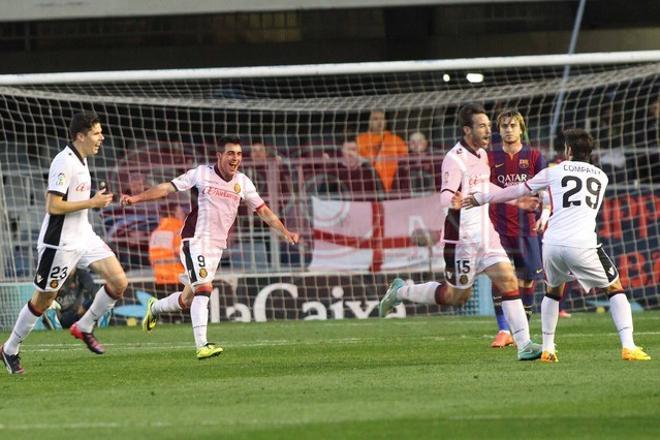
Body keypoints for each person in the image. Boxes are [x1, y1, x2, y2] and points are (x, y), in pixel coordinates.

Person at [463, 128, 651, 362]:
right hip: (582, 243)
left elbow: (518, 190)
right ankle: (629, 346)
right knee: (615, 288)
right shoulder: (602, 177)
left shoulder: (554, 171)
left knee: (553, 292)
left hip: (551, 244)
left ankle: (548, 348)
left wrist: (482, 198)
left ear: (568, 150)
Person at [378, 103, 543, 362]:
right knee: (455, 296)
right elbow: (445, 194)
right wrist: (451, 202)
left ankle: (524, 344)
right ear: (468, 130)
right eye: (482, 126)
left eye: (489, 126)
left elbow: (485, 185)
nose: (489, 131)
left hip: (486, 234)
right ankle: (399, 291)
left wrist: (515, 200)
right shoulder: (453, 159)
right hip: (461, 239)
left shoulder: (482, 155)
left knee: (508, 280)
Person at [120, 136, 299, 360]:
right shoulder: (201, 174)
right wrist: (135, 199)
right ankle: (202, 345)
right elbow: (167, 188)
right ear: (220, 156)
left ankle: (154, 308)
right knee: (204, 289)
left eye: (239, 154)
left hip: (216, 247)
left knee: (187, 299)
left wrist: (285, 231)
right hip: (194, 240)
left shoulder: (243, 182)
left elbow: (263, 210)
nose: (235, 158)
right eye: (230, 153)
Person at [1, 111, 129, 375]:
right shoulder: (64, 161)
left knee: (119, 282)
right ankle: (10, 348)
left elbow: (73, 199)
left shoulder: (81, 160)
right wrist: (92, 202)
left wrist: (93, 198)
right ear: (80, 136)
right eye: (96, 133)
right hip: (59, 244)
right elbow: (53, 205)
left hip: (84, 236)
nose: (101, 137)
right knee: (42, 302)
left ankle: (84, 326)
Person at [487, 109, 549, 348]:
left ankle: (521, 329)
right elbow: (485, 187)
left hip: (526, 229)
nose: (508, 130)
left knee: (526, 280)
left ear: (521, 128)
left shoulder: (534, 156)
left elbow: (544, 190)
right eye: (504, 126)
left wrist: (544, 214)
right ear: (499, 129)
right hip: (497, 227)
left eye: (513, 125)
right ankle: (503, 329)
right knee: (499, 276)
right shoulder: (490, 157)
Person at [356, 110, 408, 193]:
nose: (379, 122)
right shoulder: (360, 140)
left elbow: (405, 161)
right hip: (370, 186)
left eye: (382, 119)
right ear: (370, 122)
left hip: (394, 187)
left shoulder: (396, 140)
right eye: (375, 119)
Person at [148, 202, 186, 285]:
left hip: (160, 277)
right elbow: (181, 252)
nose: (184, 215)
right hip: (177, 276)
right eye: (182, 212)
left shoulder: (156, 232)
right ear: (175, 214)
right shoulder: (178, 229)